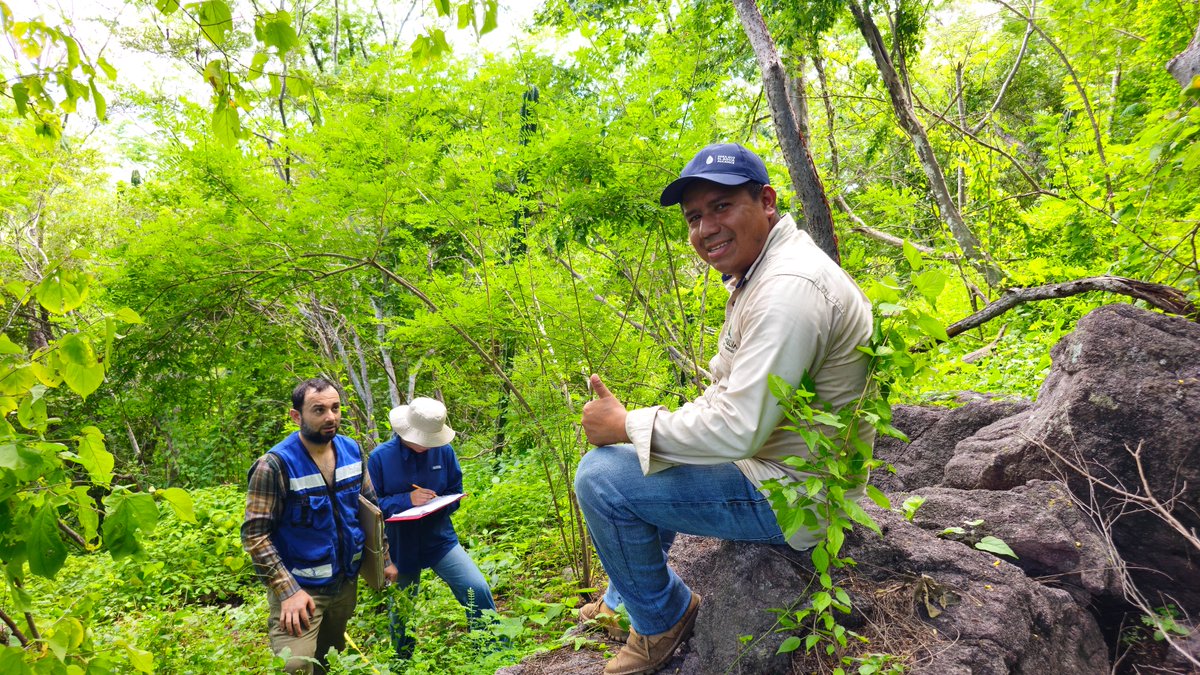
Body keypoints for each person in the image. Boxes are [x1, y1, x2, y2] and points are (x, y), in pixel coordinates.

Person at [574, 143, 875, 675]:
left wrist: (625, 425)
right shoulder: (765, 271)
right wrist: (638, 431)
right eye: (694, 217)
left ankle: (662, 617)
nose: (705, 228)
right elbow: (729, 401)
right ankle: (626, 593)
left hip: (793, 496)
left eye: (720, 207)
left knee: (601, 476)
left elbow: (738, 429)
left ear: (766, 201)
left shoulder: (788, 289)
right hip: (781, 469)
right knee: (638, 450)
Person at [241, 377, 398, 675]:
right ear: (296, 416)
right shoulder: (274, 465)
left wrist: (384, 559)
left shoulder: (351, 450)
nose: (331, 417)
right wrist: (288, 592)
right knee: (296, 666)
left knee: (330, 659)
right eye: (319, 410)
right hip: (301, 589)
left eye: (336, 408)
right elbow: (255, 535)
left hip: (344, 582)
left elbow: (369, 509)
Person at [367, 397, 497, 661]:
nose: (427, 445)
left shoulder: (444, 451)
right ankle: (401, 661)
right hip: (400, 545)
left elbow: (454, 491)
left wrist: (441, 503)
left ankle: (491, 652)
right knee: (401, 610)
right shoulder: (380, 458)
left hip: (439, 539)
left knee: (477, 588)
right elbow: (371, 507)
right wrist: (407, 500)